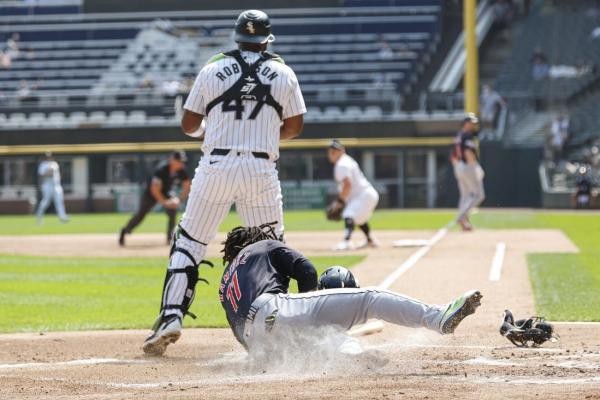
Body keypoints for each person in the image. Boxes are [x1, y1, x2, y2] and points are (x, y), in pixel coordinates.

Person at [142, 9, 306, 355]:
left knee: (190, 241)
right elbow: (294, 127)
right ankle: (281, 331)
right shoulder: (284, 72)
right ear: (266, 39)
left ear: (236, 36)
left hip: (215, 165)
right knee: (272, 250)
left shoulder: (212, 67)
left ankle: (171, 315)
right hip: (261, 169)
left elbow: (188, 125)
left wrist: (210, 130)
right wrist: (260, 135)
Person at [215, 224, 482, 356]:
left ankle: (349, 353)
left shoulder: (224, 283)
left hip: (257, 343)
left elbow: (241, 335)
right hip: (273, 310)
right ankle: (438, 318)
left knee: (313, 338)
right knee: (370, 298)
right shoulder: (263, 246)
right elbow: (306, 270)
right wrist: (308, 307)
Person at [119, 150, 190, 246]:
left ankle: (169, 238)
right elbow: (155, 190)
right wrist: (165, 202)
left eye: (182, 161)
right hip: (150, 194)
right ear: (172, 160)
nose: (181, 163)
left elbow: (186, 186)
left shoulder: (181, 170)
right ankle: (125, 230)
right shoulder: (161, 170)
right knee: (141, 215)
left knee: (172, 211)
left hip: (165, 192)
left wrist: (179, 200)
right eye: (179, 161)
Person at [327, 140, 379, 250]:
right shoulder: (346, 161)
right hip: (366, 194)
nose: (332, 154)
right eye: (330, 151)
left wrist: (340, 201)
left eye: (334, 151)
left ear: (342, 151)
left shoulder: (341, 164)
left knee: (348, 214)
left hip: (364, 195)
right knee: (360, 219)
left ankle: (346, 242)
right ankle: (370, 240)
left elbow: (347, 184)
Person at [451, 113, 485, 231]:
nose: (473, 125)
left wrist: (458, 168)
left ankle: (464, 222)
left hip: (459, 166)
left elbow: (454, 155)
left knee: (465, 196)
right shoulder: (466, 135)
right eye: (471, 122)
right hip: (468, 165)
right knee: (478, 195)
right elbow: (467, 152)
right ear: (466, 123)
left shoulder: (459, 136)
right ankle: (462, 217)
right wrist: (474, 166)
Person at [35, 152, 69, 225]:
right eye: (47, 157)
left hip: (56, 185)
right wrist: (48, 171)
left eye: (50, 156)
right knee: (46, 202)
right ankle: (39, 216)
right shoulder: (43, 165)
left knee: (59, 201)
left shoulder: (54, 163)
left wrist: (50, 173)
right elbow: (42, 175)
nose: (49, 158)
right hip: (47, 185)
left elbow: (55, 173)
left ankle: (62, 217)